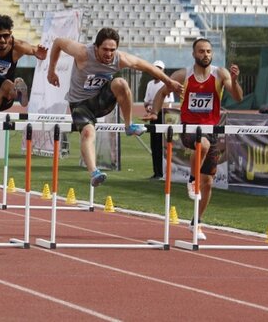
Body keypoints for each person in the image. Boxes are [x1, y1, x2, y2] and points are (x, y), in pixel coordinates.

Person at [47, 27, 182, 188]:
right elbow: (58, 43)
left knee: (121, 83)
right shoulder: (82, 52)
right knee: (88, 132)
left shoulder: (119, 59)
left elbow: (147, 67)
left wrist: (168, 82)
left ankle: (129, 125)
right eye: (105, 49)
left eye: (112, 50)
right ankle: (94, 172)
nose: (108, 54)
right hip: (80, 104)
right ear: (95, 47)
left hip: (102, 101)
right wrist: (51, 70)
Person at [147, 37, 243, 240]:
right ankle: (192, 179)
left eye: (208, 51)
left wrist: (234, 81)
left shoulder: (220, 74)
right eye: (201, 51)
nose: (205, 55)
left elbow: (237, 97)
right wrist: (155, 113)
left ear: (212, 54)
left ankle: (196, 222)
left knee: (208, 182)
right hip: (188, 127)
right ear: (194, 54)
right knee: (203, 144)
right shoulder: (183, 75)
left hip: (212, 128)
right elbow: (163, 92)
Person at [143, 60, 175, 180]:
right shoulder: (150, 84)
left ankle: (164, 172)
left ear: (163, 70)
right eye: (155, 68)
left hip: (164, 117)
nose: (157, 71)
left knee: (163, 146)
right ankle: (157, 172)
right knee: (154, 145)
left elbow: (167, 103)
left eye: (159, 69)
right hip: (153, 116)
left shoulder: (166, 83)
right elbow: (146, 101)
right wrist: (149, 108)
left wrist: (153, 108)